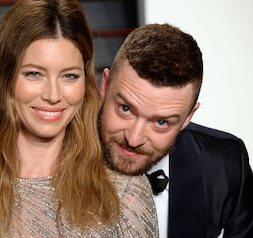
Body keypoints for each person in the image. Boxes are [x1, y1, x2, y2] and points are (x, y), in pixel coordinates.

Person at [0, 0, 159, 237]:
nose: (53, 95)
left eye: (69, 76)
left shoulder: (125, 194)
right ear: (4, 79)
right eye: (34, 74)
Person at [98, 23, 253, 238]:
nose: (133, 139)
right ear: (104, 86)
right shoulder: (53, 153)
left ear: (188, 117)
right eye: (125, 109)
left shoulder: (224, 163)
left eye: (161, 123)